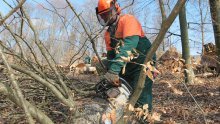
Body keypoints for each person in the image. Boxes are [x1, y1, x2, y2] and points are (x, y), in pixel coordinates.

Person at [96, 0, 156, 117]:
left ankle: (144, 119)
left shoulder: (128, 20)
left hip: (143, 62)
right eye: (102, 15)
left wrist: (113, 71)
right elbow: (110, 57)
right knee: (123, 95)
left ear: (115, 9)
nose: (105, 17)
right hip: (126, 65)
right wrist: (108, 72)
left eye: (107, 13)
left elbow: (129, 45)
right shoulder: (108, 34)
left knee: (141, 95)